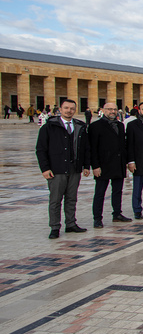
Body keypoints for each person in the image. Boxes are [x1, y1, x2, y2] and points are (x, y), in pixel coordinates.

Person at [36, 99, 91, 239]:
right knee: (55, 199)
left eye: (72, 108)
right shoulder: (49, 127)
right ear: (60, 109)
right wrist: (45, 168)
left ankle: (71, 224)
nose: (69, 111)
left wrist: (86, 165)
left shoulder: (80, 126)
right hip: (57, 169)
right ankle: (54, 227)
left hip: (74, 168)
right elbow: (41, 149)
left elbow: (85, 148)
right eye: (66, 108)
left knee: (72, 198)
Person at [88, 102, 131, 228]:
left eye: (114, 109)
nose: (112, 111)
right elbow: (92, 148)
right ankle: (97, 218)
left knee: (117, 191)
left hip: (118, 164)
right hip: (103, 165)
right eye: (109, 109)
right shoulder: (95, 126)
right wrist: (95, 166)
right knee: (100, 192)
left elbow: (123, 145)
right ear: (103, 110)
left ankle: (117, 213)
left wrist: (126, 163)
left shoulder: (120, 125)